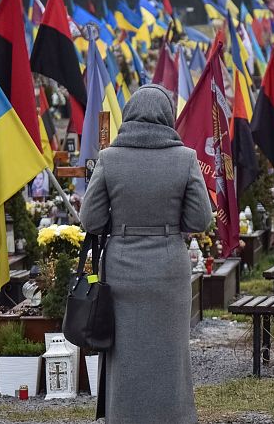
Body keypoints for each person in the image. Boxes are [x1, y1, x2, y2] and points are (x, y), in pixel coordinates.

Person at [80, 84, 213, 423]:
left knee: (124, 350)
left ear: (129, 115)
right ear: (167, 116)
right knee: (170, 351)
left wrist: (122, 222)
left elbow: (91, 220)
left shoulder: (110, 158)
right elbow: (200, 219)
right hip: (169, 268)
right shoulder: (185, 158)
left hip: (121, 267)